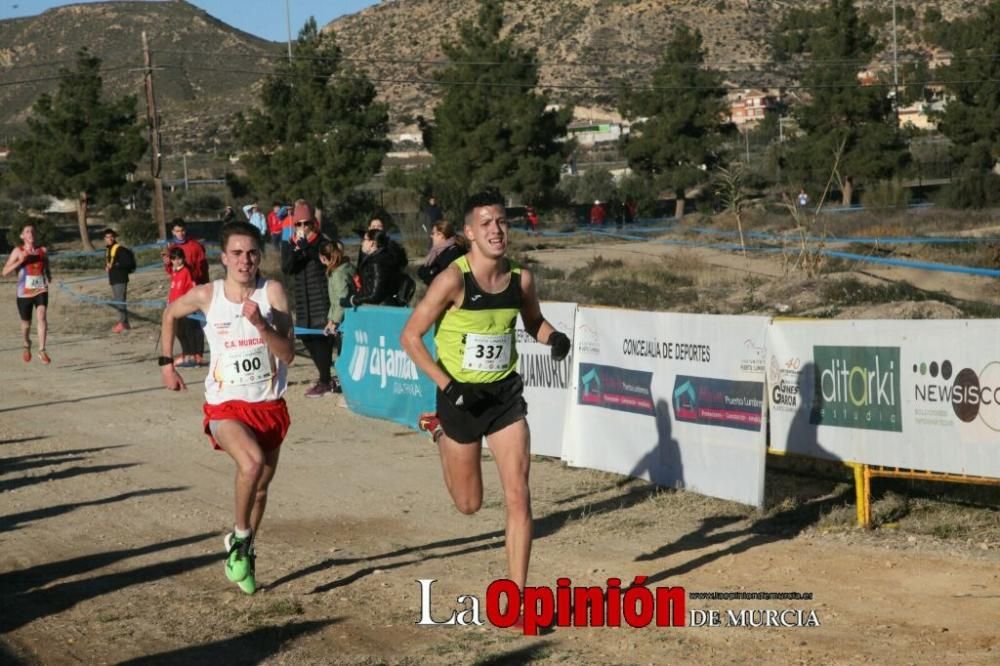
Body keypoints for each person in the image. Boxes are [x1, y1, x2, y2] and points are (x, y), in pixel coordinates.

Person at [400, 189, 571, 614]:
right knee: (469, 505)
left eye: (502, 222)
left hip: (503, 397)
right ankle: (438, 431)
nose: (497, 230)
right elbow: (410, 337)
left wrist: (555, 338)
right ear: (470, 233)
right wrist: (447, 386)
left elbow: (532, 321)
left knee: (518, 495)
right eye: (487, 224)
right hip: (459, 400)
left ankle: (516, 600)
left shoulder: (521, 279)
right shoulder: (453, 280)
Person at [159, 220, 294, 595]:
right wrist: (165, 364)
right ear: (223, 258)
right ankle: (239, 537)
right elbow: (170, 314)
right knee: (249, 464)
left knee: (261, 488)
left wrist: (262, 326)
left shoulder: (273, 293)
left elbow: (289, 355)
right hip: (225, 406)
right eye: (236, 252)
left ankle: (245, 551)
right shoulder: (208, 295)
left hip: (268, 406)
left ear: (259, 256)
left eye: (251, 252)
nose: (244, 260)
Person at [281, 200, 337, 398]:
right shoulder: (290, 243)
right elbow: (287, 268)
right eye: (298, 224)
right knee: (306, 336)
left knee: (322, 338)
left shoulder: (323, 242)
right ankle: (325, 376)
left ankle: (325, 379)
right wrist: (296, 251)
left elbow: (327, 262)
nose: (303, 228)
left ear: (314, 223)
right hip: (302, 299)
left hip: (320, 297)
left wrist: (308, 249)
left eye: (306, 223)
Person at [3, 221, 52, 364]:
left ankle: (42, 350)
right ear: (22, 236)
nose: (30, 234)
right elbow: (4, 272)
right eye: (27, 232)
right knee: (26, 324)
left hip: (41, 289)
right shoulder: (17, 251)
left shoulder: (43, 250)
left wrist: (48, 275)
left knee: (42, 316)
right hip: (24, 293)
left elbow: (46, 264)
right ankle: (26, 343)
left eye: (32, 231)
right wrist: (20, 261)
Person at [319, 240, 353, 392]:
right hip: (341, 321)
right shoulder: (340, 269)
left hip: (346, 322)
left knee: (345, 354)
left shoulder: (339, 273)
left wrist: (334, 321)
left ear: (323, 258)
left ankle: (347, 388)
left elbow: (341, 299)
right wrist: (330, 320)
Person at [353, 229, 405, 307]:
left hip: (381, 308)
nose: (362, 242)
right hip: (388, 305)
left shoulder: (377, 262)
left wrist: (353, 300)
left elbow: (375, 295)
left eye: (364, 240)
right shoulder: (384, 257)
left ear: (372, 243)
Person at [166, 247, 199, 368]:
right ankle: (186, 355)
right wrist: (169, 302)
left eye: (179, 258)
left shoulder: (186, 271)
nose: (176, 261)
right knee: (179, 333)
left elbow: (191, 287)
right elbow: (173, 288)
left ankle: (193, 357)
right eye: (174, 259)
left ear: (183, 258)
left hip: (185, 306)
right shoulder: (175, 271)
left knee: (188, 331)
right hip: (174, 307)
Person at [417, 219, 467, 286]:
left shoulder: (454, 252)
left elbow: (438, 277)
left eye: (433, 233)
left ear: (441, 235)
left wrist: (428, 273)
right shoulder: (438, 251)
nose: (431, 236)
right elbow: (422, 271)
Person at [103, 228, 133, 333]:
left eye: (111, 236)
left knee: (120, 302)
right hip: (114, 279)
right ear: (104, 239)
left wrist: (114, 266)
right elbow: (109, 262)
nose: (110, 238)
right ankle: (126, 324)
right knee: (119, 302)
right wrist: (106, 267)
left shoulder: (119, 249)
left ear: (114, 237)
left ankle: (122, 324)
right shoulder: (108, 249)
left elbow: (127, 262)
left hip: (120, 278)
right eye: (107, 237)